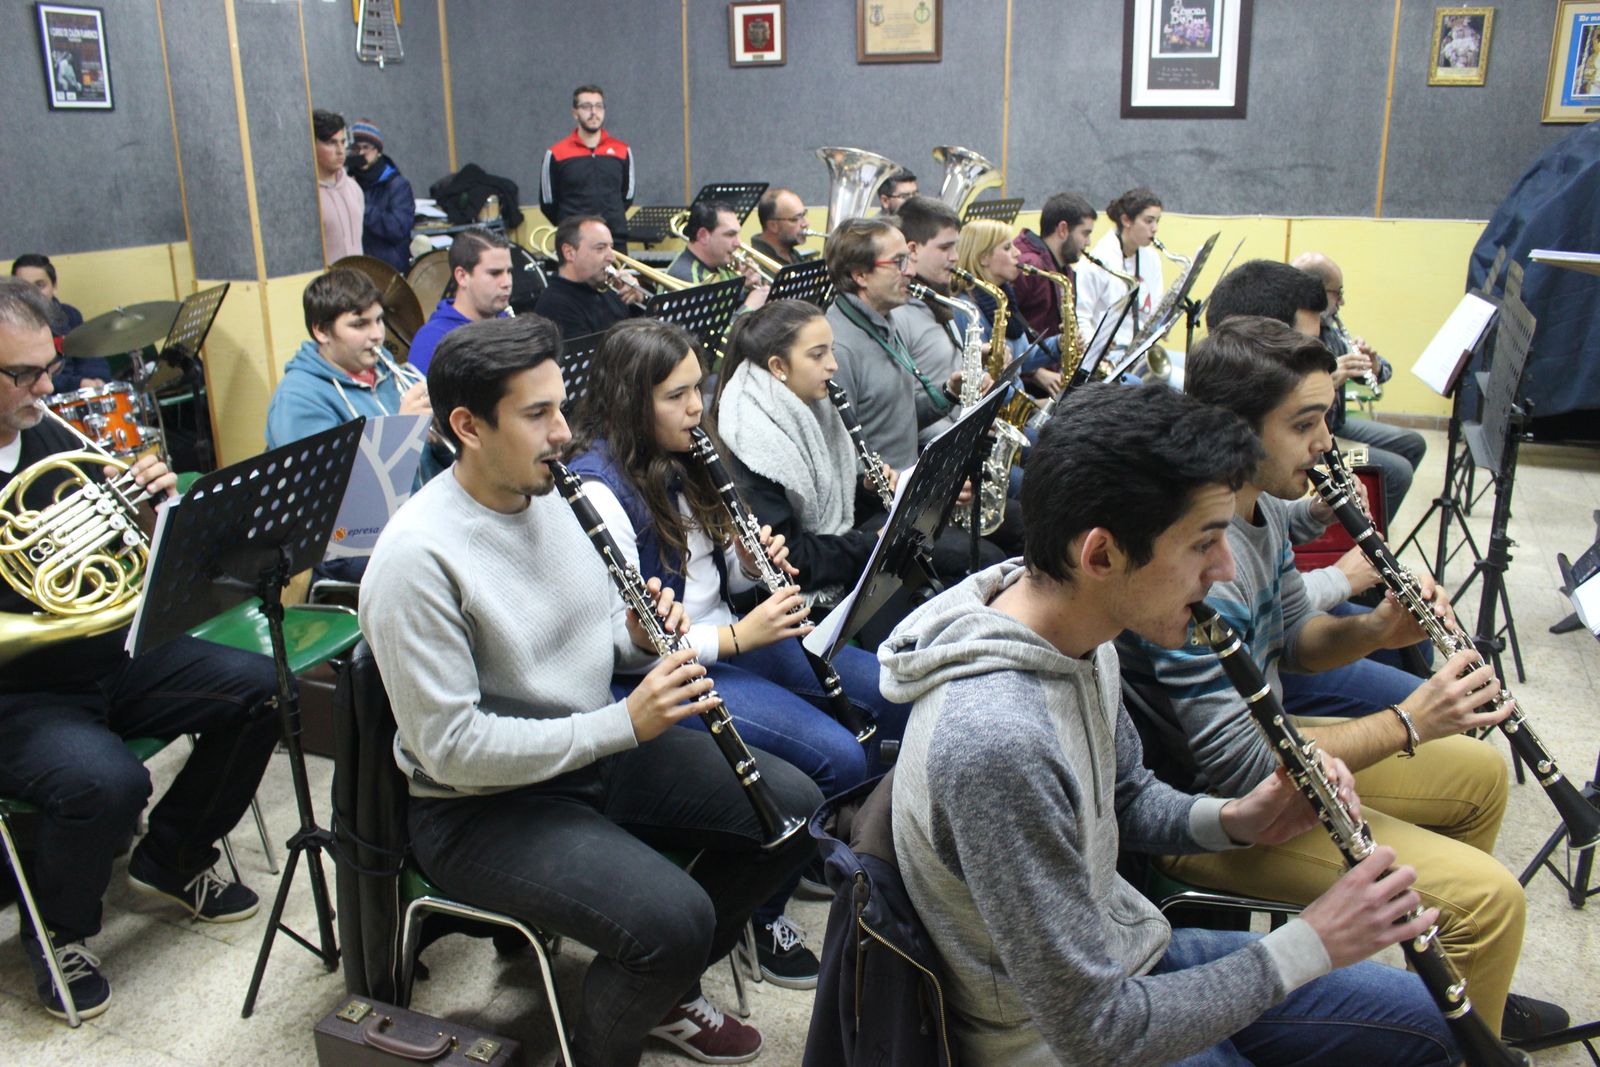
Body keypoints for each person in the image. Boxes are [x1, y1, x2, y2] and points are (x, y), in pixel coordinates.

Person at [884, 379, 1459, 1066]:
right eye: (1203, 543)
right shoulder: (998, 739)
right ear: (1100, 554)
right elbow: (1097, 1030)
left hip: (1132, 956)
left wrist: (1238, 818)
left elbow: (1126, 796)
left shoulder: (1082, 633)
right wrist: (1314, 940)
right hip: (1060, 1041)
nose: (1222, 569)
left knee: (1430, 1023)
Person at [359, 312, 819, 1066]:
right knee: (673, 921)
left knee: (794, 811)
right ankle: (617, 1032)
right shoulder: (415, 558)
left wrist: (637, 641)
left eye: (561, 406)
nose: (565, 432)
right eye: (537, 415)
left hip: (586, 748)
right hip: (480, 806)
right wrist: (622, 724)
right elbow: (451, 749)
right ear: (468, 425)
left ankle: (660, 993)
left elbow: (601, 636)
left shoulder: (562, 498)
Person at [1116, 314, 1566, 1041]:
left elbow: (1293, 637)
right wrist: (1411, 719)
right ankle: (1458, 1019)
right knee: (1492, 899)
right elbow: (1237, 767)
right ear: (1234, 430)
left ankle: (1462, 983)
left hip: (1276, 749)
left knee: (1481, 778)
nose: (1326, 443)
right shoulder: (1204, 550)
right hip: (1215, 803)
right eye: (1306, 424)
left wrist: (1379, 629)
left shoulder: (1256, 507)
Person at [566, 316, 906, 988]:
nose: (697, 408)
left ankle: (811, 846)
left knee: (889, 693)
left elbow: (720, 579)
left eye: (699, 389)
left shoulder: (686, 457)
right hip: (668, 670)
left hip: (728, 637)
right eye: (677, 396)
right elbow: (615, 649)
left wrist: (754, 562)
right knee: (834, 754)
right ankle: (762, 906)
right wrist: (736, 637)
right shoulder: (600, 489)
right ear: (630, 401)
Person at [0, 278, 280, 1023]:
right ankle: (59, 931)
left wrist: (151, 510)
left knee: (265, 687)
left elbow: (130, 565)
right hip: (17, 692)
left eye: (48, 365)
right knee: (107, 783)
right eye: (23, 374)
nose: (46, 385)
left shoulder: (57, 436)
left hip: (107, 654)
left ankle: (173, 856)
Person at [1292, 251, 1428, 520]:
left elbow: (1383, 373)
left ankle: (1371, 514)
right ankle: (1364, 537)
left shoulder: (1329, 325)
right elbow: (1288, 402)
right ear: (1315, 291)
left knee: (1412, 443)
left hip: (1337, 424)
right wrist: (1329, 381)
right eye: (1337, 292)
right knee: (1398, 470)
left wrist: (1373, 366)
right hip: (1315, 439)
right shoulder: (1292, 331)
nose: (1342, 300)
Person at [405, 228, 513, 374]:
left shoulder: (510, 325)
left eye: (509, 272)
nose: (507, 282)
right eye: (495, 273)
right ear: (462, 276)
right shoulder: (432, 340)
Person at [540, 84, 634, 248]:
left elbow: (627, 196)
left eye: (598, 106)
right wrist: (571, 228)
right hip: (574, 243)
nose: (593, 112)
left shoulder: (622, 150)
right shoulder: (555, 153)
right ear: (575, 113)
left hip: (614, 240)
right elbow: (548, 203)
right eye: (586, 106)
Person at [1075, 186, 1166, 352]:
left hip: (1140, 350)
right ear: (1126, 220)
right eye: (1148, 221)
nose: (1155, 228)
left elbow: (1155, 308)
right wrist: (1095, 351)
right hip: (1110, 353)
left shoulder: (1152, 258)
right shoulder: (1098, 261)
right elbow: (1081, 316)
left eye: (1157, 221)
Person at [531, 214, 645, 339]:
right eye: (600, 248)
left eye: (611, 247)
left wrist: (638, 303)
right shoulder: (555, 304)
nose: (611, 257)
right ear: (569, 252)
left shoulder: (608, 289)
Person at [10, 253, 107, 392]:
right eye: (25, 287)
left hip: (79, 396)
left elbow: (90, 356)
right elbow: (26, 377)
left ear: (54, 285)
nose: (33, 293)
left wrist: (97, 379)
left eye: (40, 285)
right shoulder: (8, 326)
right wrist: (77, 383)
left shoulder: (70, 315)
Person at [1012, 191, 1095, 342]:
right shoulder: (1029, 267)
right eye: (1085, 234)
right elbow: (1007, 333)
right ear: (1063, 229)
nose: (1088, 242)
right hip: (1031, 364)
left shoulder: (1064, 268)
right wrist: (1036, 367)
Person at [665, 201, 768, 316]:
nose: (738, 243)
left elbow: (726, 309)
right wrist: (749, 307)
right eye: (730, 235)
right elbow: (708, 332)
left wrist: (745, 288)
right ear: (703, 235)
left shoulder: (721, 263)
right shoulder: (685, 276)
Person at [346, 119, 416, 273]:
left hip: (388, 269)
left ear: (377, 151)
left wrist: (360, 205)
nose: (361, 153)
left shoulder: (397, 185)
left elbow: (397, 229)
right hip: (358, 269)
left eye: (366, 147)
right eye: (356, 148)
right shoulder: (347, 182)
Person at [314, 108, 363, 264]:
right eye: (331, 143)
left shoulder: (354, 188)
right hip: (325, 286)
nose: (341, 151)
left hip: (356, 284)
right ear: (312, 144)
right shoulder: (307, 196)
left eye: (343, 142)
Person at [749, 188, 812, 267]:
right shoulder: (755, 263)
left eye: (803, 215)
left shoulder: (793, 255)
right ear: (773, 226)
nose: (805, 224)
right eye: (795, 219)